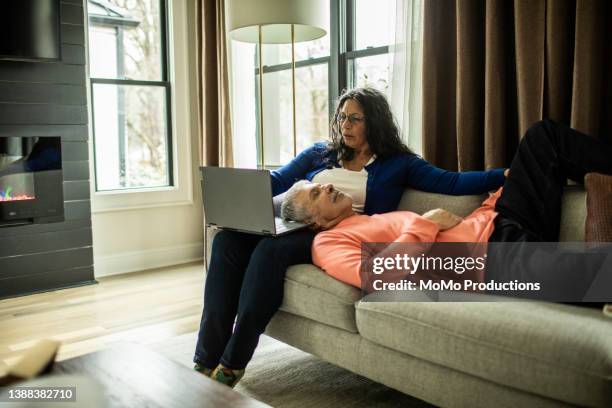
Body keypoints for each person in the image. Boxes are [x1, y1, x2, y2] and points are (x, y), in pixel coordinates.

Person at [194, 87, 507, 387]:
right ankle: (205, 358)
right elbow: (277, 181)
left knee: (268, 250)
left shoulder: (399, 163)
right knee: (226, 240)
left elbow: (451, 182)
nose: (345, 124)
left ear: (375, 122)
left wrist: (502, 176)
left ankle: (233, 361)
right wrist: (232, 192)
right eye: (342, 117)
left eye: (355, 118)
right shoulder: (319, 153)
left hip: (334, 232)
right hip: (299, 221)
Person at [281, 119, 612, 307]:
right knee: (599, 274)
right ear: (313, 222)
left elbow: (457, 210)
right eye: (315, 193)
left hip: (500, 219)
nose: (325, 187)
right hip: (491, 262)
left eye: (321, 185)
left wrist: (498, 196)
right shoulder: (326, 245)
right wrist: (425, 224)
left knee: (544, 138)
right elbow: (375, 276)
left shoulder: (367, 217)